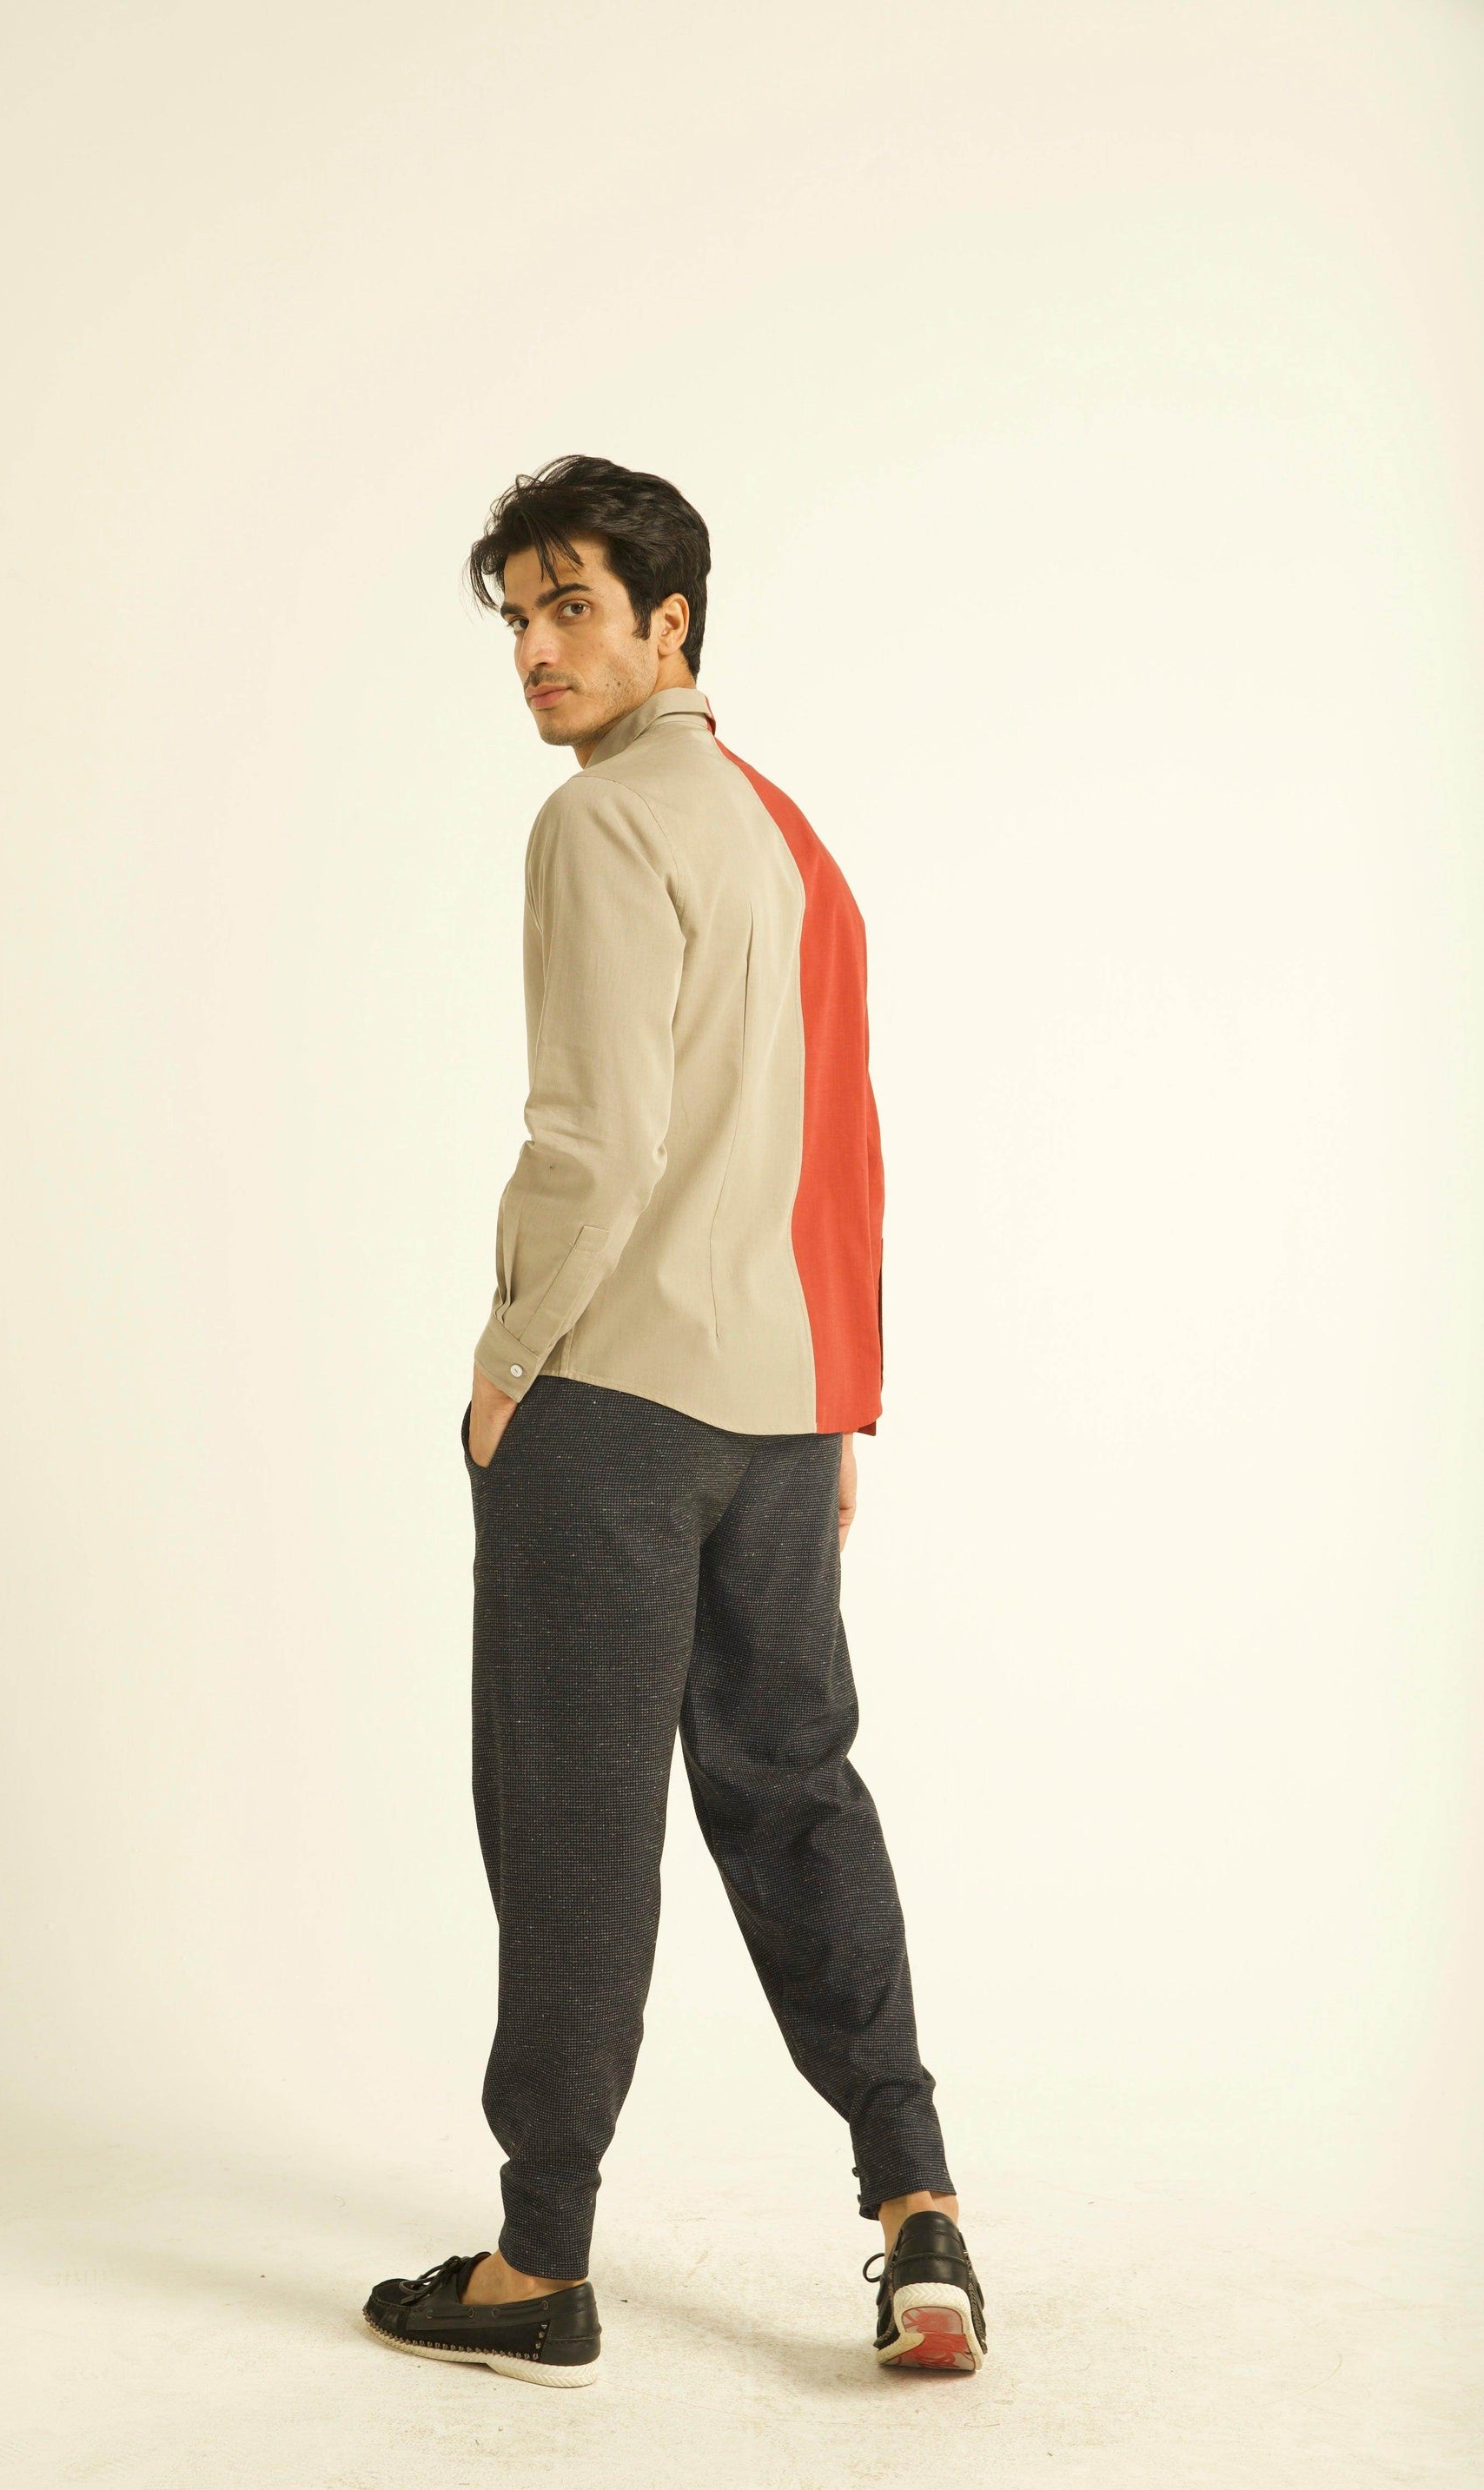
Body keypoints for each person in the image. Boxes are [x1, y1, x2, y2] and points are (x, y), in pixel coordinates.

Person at [363, 456, 987, 2388]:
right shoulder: (792, 840)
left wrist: (505, 1356)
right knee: (795, 1792)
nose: (535, 652)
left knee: (572, 1819)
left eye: (571, 608)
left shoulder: (602, 822)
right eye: (517, 617)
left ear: (669, 623)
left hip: (615, 1402)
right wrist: (838, 1400)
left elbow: (596, 1134)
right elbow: (840, 1143)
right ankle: (916, 2204)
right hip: (783, 1411)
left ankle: (536, 2264)